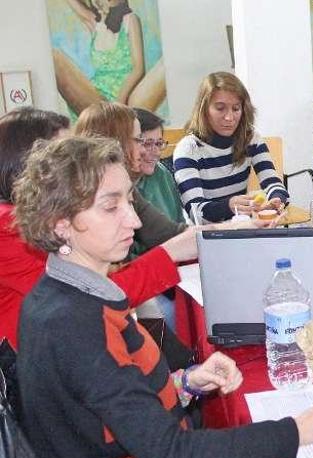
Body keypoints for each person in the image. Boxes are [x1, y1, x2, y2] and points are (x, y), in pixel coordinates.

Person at [14, 136, 313, 458]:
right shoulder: (78, 326)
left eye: (129, 201)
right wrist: (300, 430)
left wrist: (183, 383)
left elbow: (107, 411)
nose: (134, 221)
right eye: (110, 207)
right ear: (61, 224)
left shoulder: (58, 294)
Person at [0, 107, 189, 349]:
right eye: (62, 153)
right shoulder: (9, 227)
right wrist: (171, 253)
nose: (75, 160)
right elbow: (89, 296)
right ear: (29, 165)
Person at [174, 71, 288, 224]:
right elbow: (197, 213)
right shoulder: (188, 149)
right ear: (203, 110)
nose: (229, 117)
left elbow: (273, 183)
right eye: (220, 108)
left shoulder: (251, 139)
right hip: (207, 235)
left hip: (242, 226)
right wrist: (229, 206)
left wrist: (276, 199)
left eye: (236, 109)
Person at [75, 101, 187, 248]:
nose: (144, 151)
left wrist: (221, 231)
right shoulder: (88, 193)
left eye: (159, 143)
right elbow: (120, 265)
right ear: (116, 142)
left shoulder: (126, 187)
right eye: (140, 141)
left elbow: (171, 232)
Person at [52, 0, 166, 115]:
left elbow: (138, 69)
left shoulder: (130, 20)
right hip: (99, 98)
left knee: (165, 65)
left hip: (128, 96)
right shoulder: (94, 23)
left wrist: (119, 102)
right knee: (55, 57)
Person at [132, 107, 185, 254]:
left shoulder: (162, 174)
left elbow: (179, 224)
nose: (155, 152)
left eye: (159, 143)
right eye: (147, 144)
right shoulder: (120, 184)